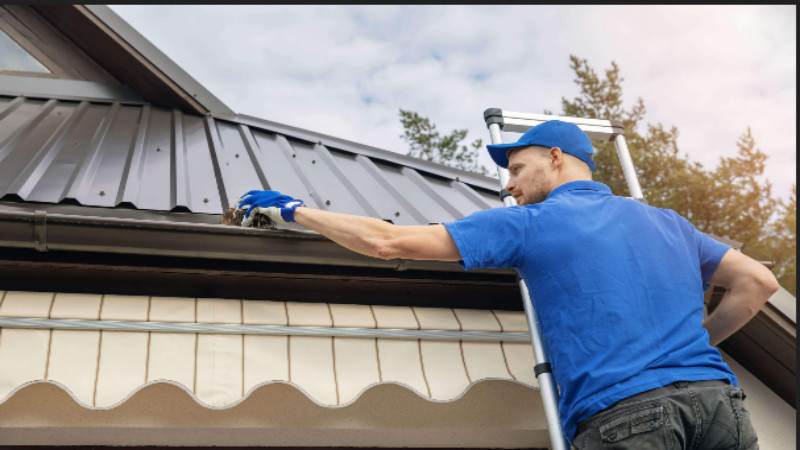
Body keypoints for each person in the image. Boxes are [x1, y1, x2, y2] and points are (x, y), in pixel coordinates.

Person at [236, 120, 778, 449]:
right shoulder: (667, 222)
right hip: (720, 409)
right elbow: (757, 282)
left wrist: (293, 210)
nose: (511, 187)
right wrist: (696, 347)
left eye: (517, 169)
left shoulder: (531, 224)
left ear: (557, 159)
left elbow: (387, 242)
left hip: (628, 416)